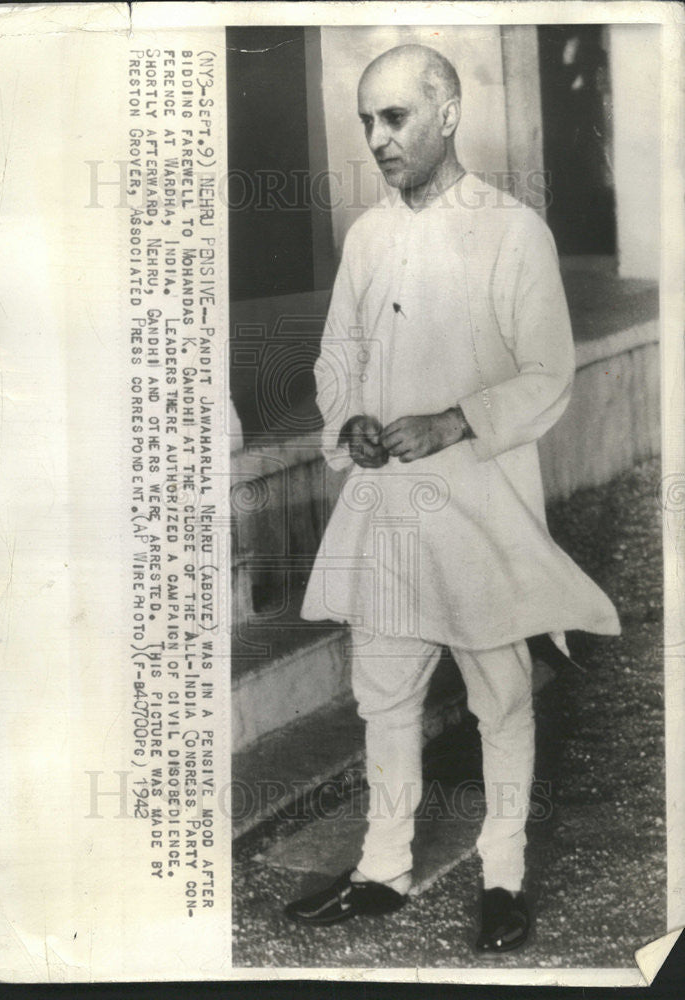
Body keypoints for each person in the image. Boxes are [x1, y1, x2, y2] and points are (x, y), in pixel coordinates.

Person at [285, 44, 620, 951]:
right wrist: (350, 416)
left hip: (478, 504)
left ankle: (502, 875)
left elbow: (549, 373)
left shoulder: (513, 231)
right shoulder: (366, 236)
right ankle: (382, 869)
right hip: (386, 509)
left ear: (446, 112)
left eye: (392, 118)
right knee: (382, 691)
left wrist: (453, 421)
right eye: (364, 122)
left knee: (499, 695)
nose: (376, 139)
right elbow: (336, 355)